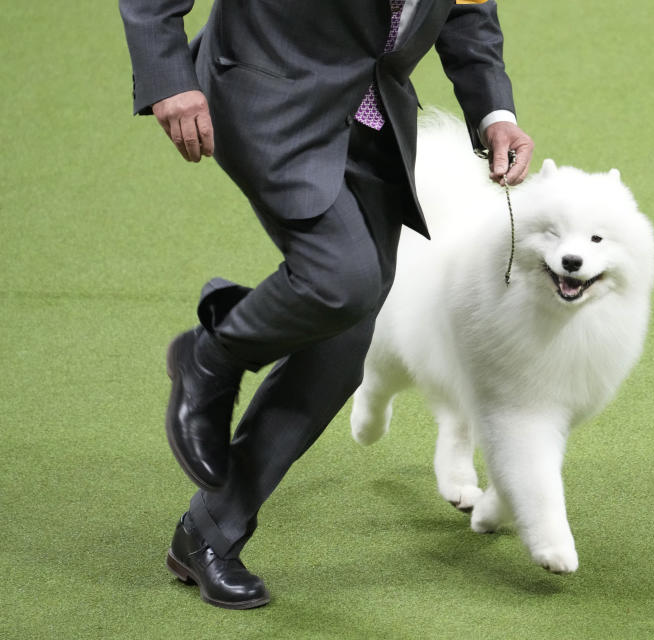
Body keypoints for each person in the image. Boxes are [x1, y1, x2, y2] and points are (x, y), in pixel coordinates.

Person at [119, 0, 533, 609]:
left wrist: (495, 111)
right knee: (343, 280)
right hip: (266, 87)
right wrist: (168, 78)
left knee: (343, 339)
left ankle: (210, 531)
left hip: (372, 118)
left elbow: (466, 9)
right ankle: (212, 354)